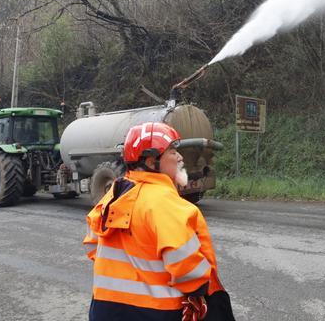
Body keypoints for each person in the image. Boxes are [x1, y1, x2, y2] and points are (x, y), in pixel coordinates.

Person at [83, 122, 235, 321]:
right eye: (172, 151)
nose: (180, 157)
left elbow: (92, 246)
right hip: (156, 312)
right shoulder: (166, 204)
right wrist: (200, 293)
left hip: (104, 309)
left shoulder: (111, 196)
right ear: (152, 160)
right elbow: (187, 269)